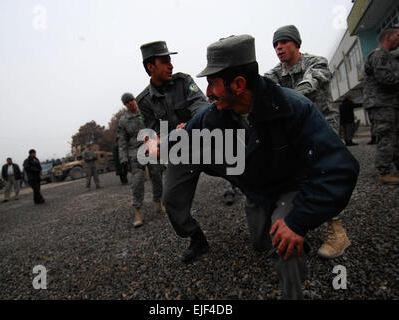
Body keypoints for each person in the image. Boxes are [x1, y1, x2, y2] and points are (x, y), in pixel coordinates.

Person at [147, 35, 359, 299]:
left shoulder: (294, 108)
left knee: (284, 241)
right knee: (262, 243)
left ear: (237, 84)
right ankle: (281, 226)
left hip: (289, 186)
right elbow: (187, 133)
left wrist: (298, 220)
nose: (209, 93)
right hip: (257, 188)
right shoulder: (215, 114)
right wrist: (160, 145)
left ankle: (293, 281)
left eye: (213, 83)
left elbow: (340, 169)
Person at [265, 25, 350, 260]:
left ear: (296, 44)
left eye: (283, 42)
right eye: (275, 44)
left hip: (323, 129)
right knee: (298, 178)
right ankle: (299, 223)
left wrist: (291, 96)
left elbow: (313, 82)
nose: (278, 47)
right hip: (296, 133)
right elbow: (266, 91)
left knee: (328, 177)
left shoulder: (316, 62)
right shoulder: (273, 74)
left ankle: (338, 233)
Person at [136, 40, 237, 205]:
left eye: (170, 60)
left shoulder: (183, 82)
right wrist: (163, 139)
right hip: (177, 154)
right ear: (150, 67)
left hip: (202, 142)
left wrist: (189, 126)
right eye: (165, 62)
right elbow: (154, 134)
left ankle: (235, 190)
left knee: (242, 172)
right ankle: (193, 232)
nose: (171, 66)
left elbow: (201, 107)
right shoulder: (144, 101)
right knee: (171, 201)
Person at [363, 26, 399, 185]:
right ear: (388, 37)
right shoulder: (378, 55)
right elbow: (385, 77)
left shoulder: (389, 57)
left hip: (393, 103)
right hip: (380, 103)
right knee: (386, 136)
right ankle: (384, 172)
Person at [119, 92, 165, 227]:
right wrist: (123, 158)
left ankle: (158, 203)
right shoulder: (123, 121)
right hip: (135, 152)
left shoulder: (145, 112)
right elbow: (122, 140)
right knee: (137, 181)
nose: (131, 103)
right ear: (125, 105)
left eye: (132, 100)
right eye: (127, 102)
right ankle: (138, 211)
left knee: (156, 175)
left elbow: (156, 126)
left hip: (150, 146)